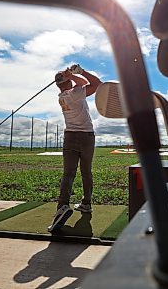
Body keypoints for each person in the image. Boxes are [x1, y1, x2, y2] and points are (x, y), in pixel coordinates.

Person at [48, 63, 102, 232]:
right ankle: (86, 203)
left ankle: (62, 207)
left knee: (68, 173)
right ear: (66, 82)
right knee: (86, 171)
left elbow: (79, 84)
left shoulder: (62, 97)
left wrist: (70, 76)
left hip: (70, 137)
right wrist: (81, 72)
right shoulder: (76, 93)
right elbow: (97, 84)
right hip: (86, 136)